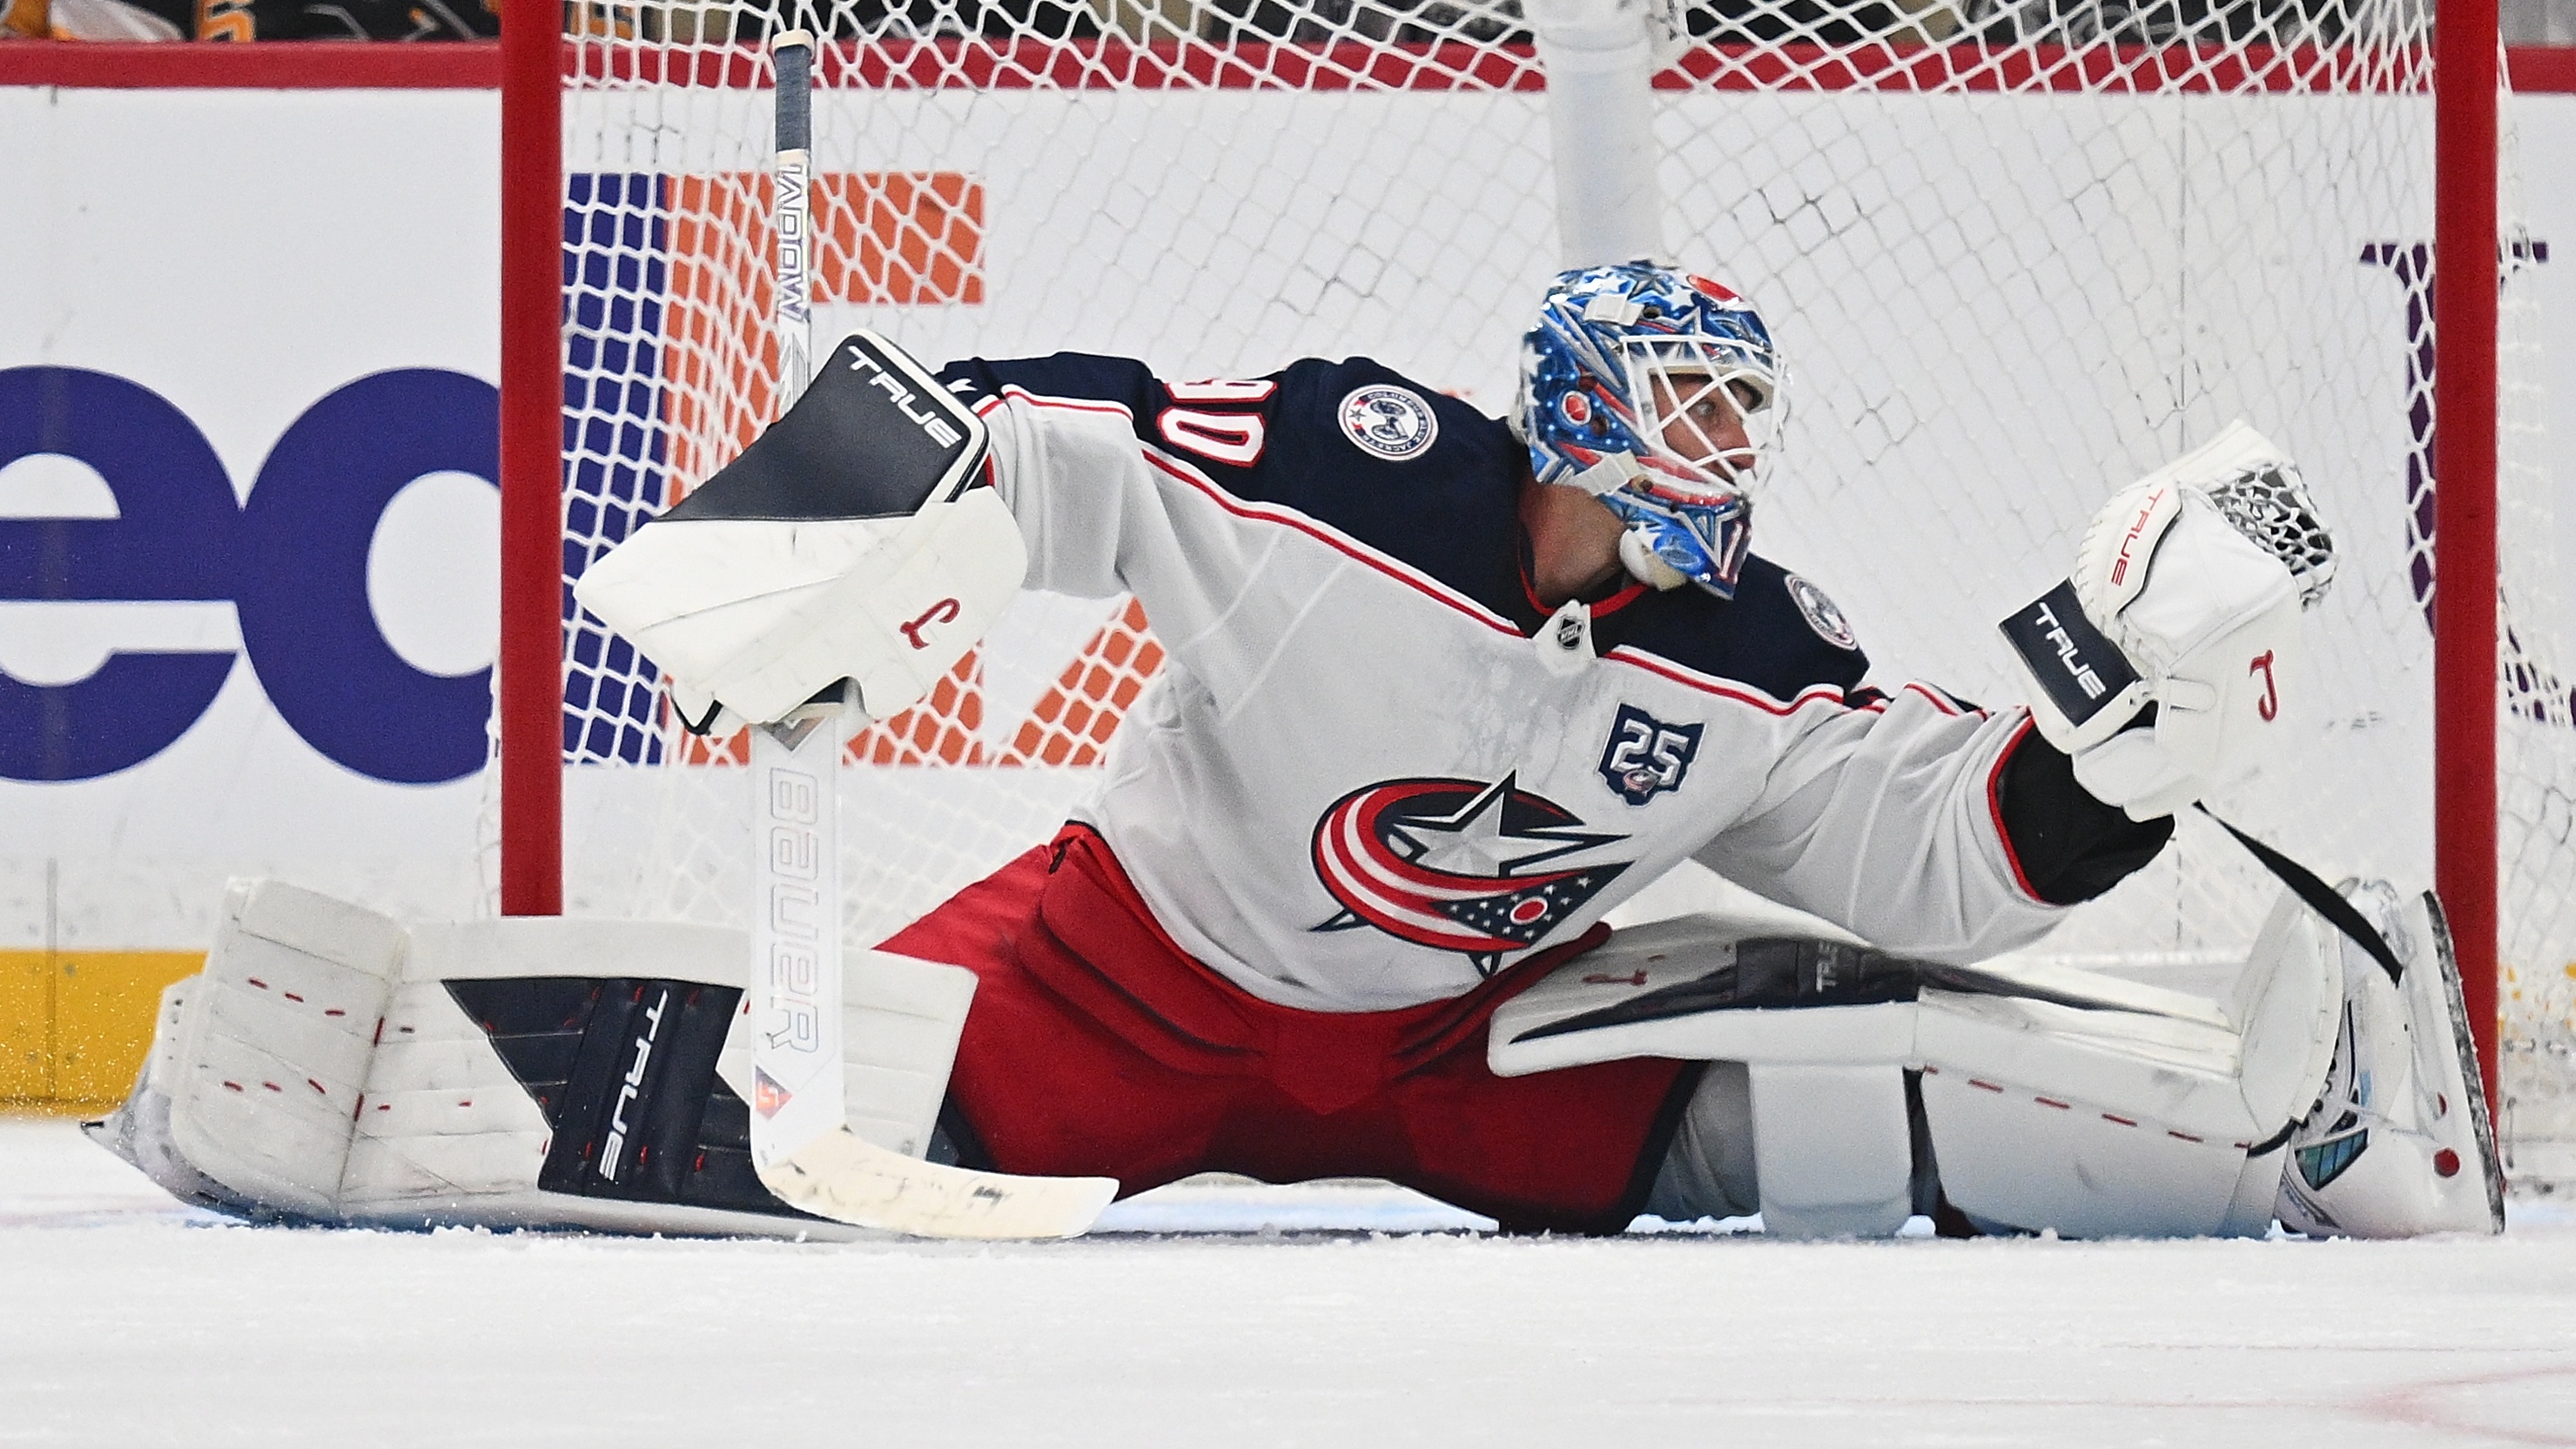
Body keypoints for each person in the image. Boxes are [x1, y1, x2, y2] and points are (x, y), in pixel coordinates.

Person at [94, 263, 2500, 1240]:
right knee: (782, 1143)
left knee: (1794, 1137)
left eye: (1738, 413)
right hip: (1111, 995)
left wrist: (2122, 746)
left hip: (1464, 1058)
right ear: (1563, 410)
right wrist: (836, 547)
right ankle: (327, 1097)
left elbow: (1930, 845)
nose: (1713, 447)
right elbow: (1071, 437)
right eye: (1672, 405)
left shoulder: (1756, 651)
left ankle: (2262, 1141)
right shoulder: (1356, 473)